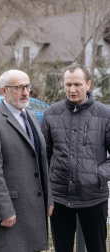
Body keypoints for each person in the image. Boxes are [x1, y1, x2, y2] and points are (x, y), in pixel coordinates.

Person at [0, 70, 54, 252]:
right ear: (4, 91)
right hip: (11, 212)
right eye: (19, 88)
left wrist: (48, 197)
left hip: (34, 209)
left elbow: (41, 160)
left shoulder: (32, 117)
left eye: (28, 86)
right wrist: (4, 210)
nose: (26, 92)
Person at [41, 63, 110, 252]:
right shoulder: (50, 114)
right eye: (68, 84)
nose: (72, 89)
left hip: (94, 197)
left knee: (97, 248)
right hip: (60, 198)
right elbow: (43, 156)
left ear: (88, 85)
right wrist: (48, 190)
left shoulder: (105, 114)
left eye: (77, 84)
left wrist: (98, 175)